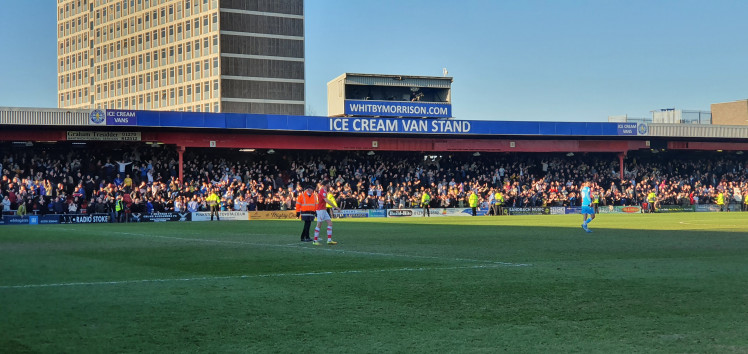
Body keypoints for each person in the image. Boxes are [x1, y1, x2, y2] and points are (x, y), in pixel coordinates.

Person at [313, 181, 339, 245]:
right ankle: (315, 241)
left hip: (323, 210)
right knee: (319, 224)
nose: (329, 185)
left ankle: (329, 240)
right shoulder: (322, 191)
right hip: (320, 210)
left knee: (330, 223)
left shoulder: (324, 191)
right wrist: (335, 207)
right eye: (329, 184)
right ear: (326, 184)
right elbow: (326, 200)